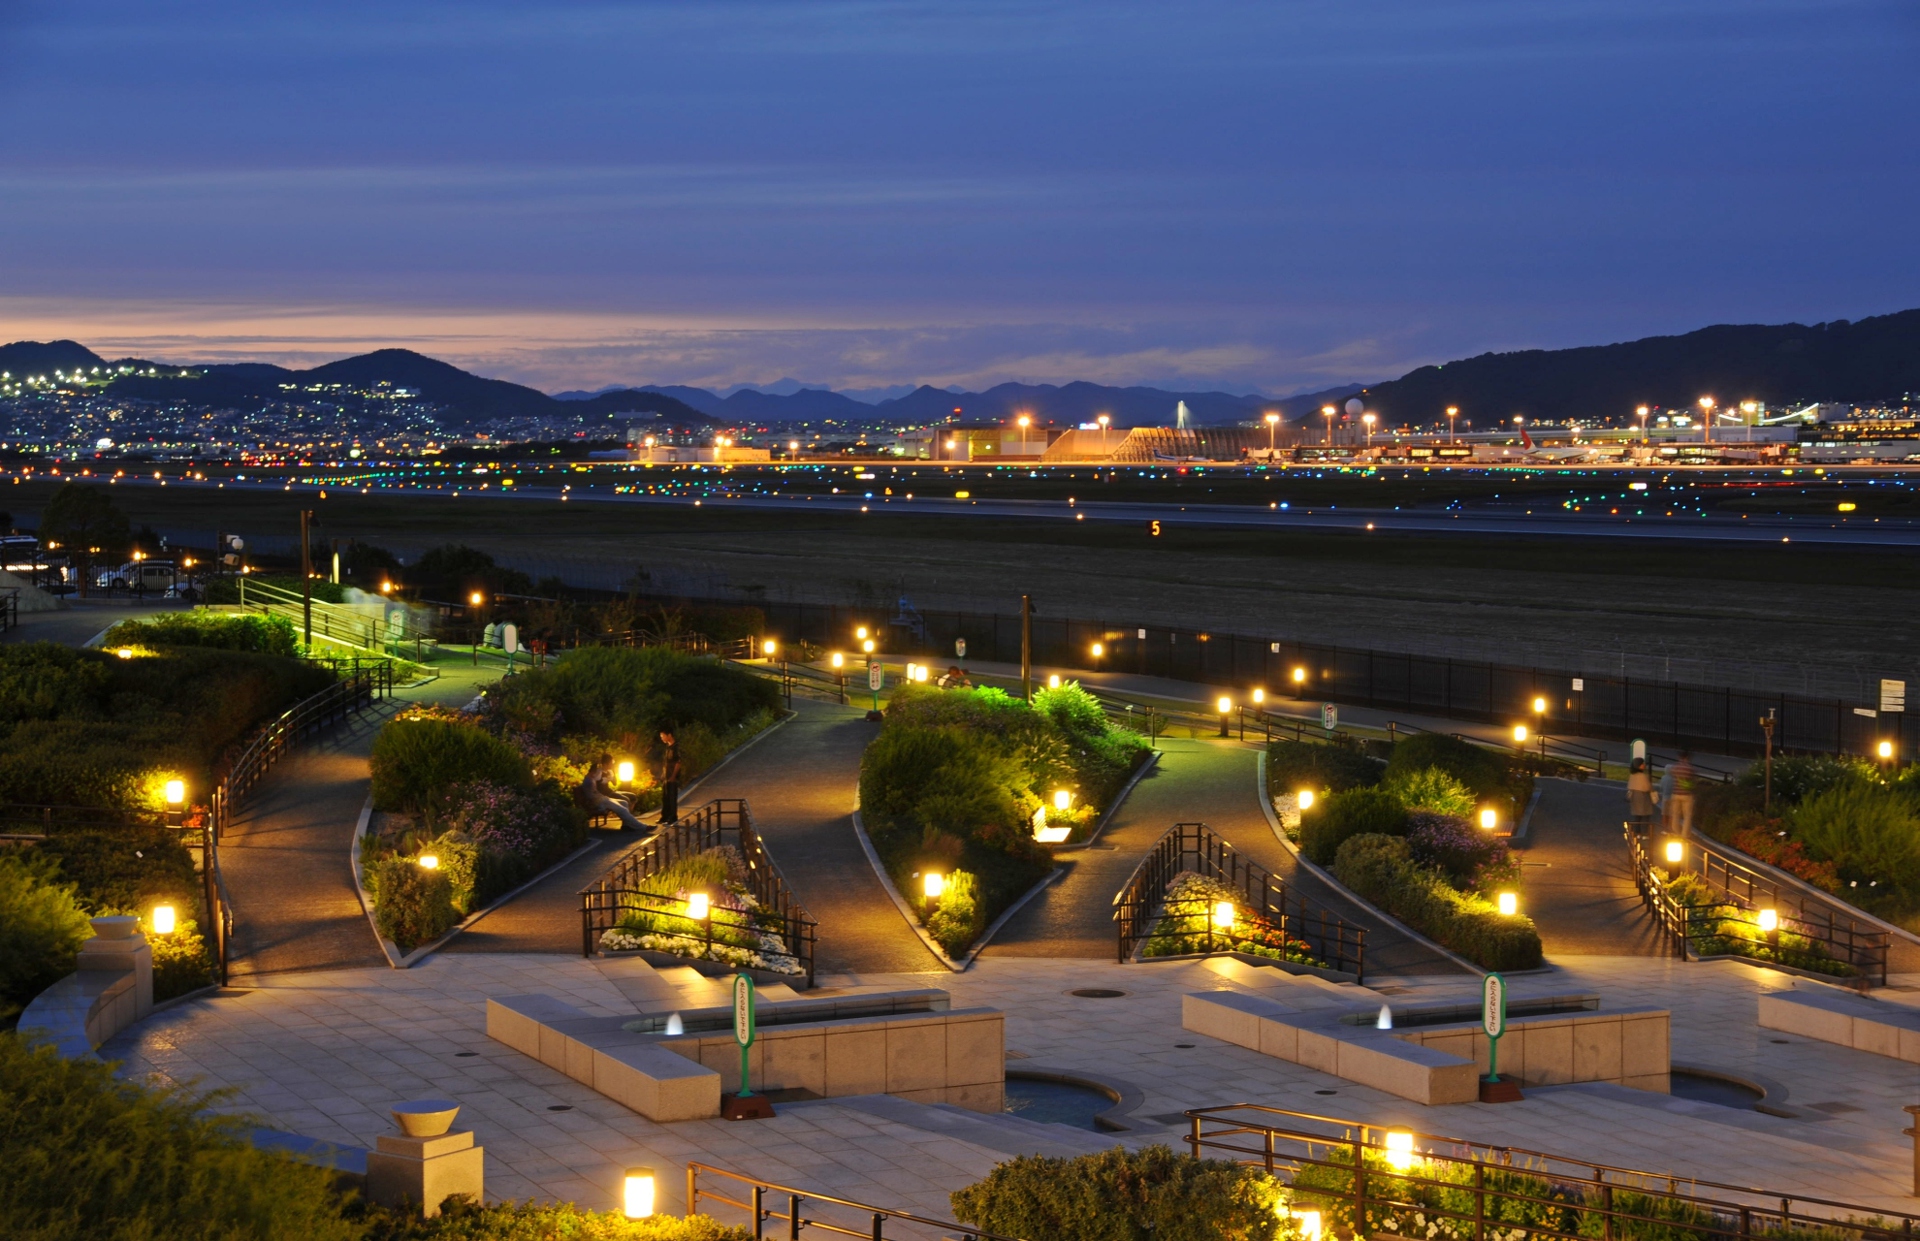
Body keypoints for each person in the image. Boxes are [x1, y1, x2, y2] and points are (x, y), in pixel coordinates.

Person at [1667, 750, 1697, 834]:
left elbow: (1671, 775)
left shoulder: (1675, 767)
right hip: (1687, 795)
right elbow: (1694, 781)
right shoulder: (1690, 768)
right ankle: (1684, 835)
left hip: (1676, 793)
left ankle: (1675, 832)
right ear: (1688, 757)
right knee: (1687, 815)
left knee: (1675, 814)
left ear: (1680, 757)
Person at [658, 729, 681, 825]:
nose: (662, 738)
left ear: (669, 735)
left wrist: (673, 776)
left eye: (663, 736)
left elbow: (678, 762)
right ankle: (665, 816)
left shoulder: (676, 747)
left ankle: (673, 817)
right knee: (665, 797)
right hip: (666, 776)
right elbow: (665, 762)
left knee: (671, 797)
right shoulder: (668, 747)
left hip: (672, 776)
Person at [1626, 757, 1654, 825]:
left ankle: (1636, 830)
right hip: (1643, 797)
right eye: (1642, 764)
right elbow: (1647, 787)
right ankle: (1645, 831)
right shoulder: (1643, 776)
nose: (1644, 765)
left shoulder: (1632, 775)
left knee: (1637, 815)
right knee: (1645, 815)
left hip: (1634, 796)